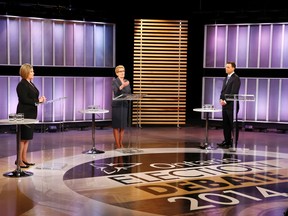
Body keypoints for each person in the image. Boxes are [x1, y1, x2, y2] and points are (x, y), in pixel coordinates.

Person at [16, 63, 46, 168]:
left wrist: (40, 101)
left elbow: (33, 99)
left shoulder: (31, 83)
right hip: (24, 113)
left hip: (31, 113)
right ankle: (19, 160)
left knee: (27, 137)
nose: (33, 73)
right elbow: (24, 99)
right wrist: (37, 100)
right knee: (23, 137)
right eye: (31, 71)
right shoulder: (22, 84)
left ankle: (24, 158)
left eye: (33, 71)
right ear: (26, 72)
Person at [217, 61, 241, 148]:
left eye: (228, 67)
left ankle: (234, 141)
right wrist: (221, 99)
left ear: (233, 68)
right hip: (225, 105)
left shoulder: (236, 78)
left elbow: (234, 92)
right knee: (225, 124)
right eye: (226, 67)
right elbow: (223, 91)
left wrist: (226, 101)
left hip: (232, 105)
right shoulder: (226, 78)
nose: (226, 68)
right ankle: (227, 141)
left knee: (232, 124)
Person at [112, 65, 131, 149]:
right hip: (117, 105)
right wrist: (122, 86)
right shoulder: (115, 81)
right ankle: (117, 144)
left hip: (124, 105)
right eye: (120, 71)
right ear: (117, 73)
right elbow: (116, 92)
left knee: (122, 126)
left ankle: (121, 143)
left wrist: (124, 87)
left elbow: (128, 92)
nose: (122, 73)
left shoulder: (127, 81)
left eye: (123, 71)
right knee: (116, 125)